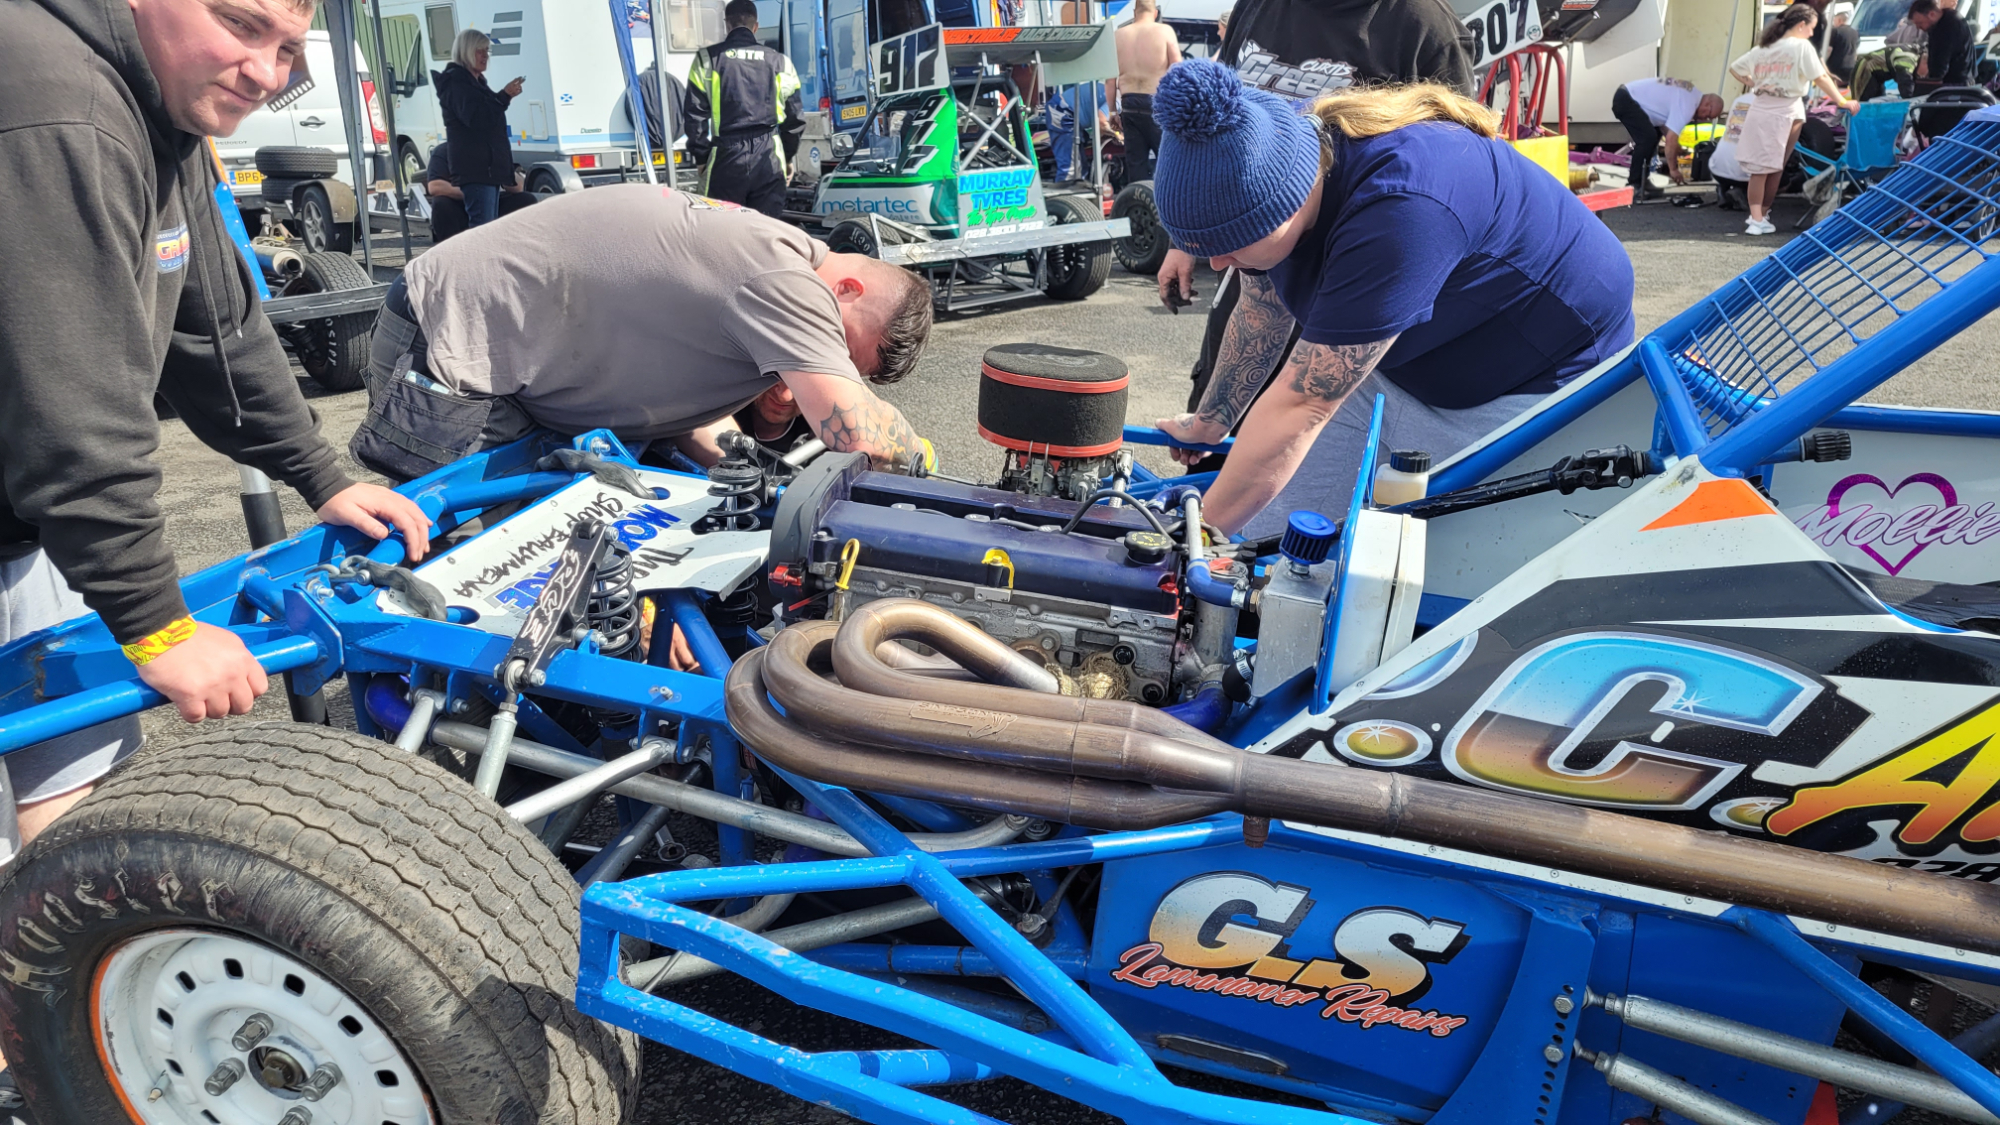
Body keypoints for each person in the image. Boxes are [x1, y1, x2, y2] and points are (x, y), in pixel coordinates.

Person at [0, 0, 431, 1107]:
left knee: (77, 783)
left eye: (288, 48)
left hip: (28, 521)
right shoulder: (52, 103)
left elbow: (219, 334)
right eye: (241, 25)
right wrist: (156, 623)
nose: (266, 71)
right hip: (43, 484)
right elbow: (73, 401)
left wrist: (323, 475)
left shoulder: (165, 114)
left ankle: (47, 1037)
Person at [1148, 61, 1637, 537]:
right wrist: (1212, 420)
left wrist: (1194, 542)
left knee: (1432, 566)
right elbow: (1261, 307)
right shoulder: (1279, 145)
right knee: (1268, 537)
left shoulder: (1400, 210)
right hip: (1414, 356)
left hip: (1537, 373)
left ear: (1286, 203)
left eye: (1230, 245)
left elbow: (1302, 405)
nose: (1218, 265)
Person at [353, 185, 935, 483]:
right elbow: (862, 436)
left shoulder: (767, 258)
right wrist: (923, 466)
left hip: (508, 362)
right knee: (491, 563)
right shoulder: (786, 278)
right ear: (848, 290)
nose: (827, 362)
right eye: (843, 351)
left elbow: (680, 414)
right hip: (453, 344)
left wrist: (756, 477)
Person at [1160, 0, 1477, 473]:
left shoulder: (1422, 25)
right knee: (1213, 449)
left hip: (1359, 280)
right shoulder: (1260, 5)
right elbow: (1210, 121)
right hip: (1257, 248)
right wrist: (1188, 239)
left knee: (1304, 452)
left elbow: (1457, 163)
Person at [1730, 5, 1858, 236]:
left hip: (1761, 107)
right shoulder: (1801, 46)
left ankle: (1757, 217)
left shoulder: (1763, 48)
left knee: (1759, 168)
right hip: (1788, 108)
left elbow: (1735, 68)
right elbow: (1820, 77)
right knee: (1775, 166)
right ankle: (1761, 216)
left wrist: (1754, 82)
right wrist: (1842, 100)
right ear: (1801, 25)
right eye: (1811, 28)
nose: (1812, 33)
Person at [684, 0, 806, 218]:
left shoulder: (706, 59)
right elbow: (795, 119)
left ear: (726, 25)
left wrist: (701, 158)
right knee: (767, 226)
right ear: (756, 26)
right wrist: (787, 157)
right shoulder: (780, 62)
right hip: (769, 153)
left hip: (726, 156)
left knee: (723, 226)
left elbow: (695, 115)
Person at [435, 29, 523, 228]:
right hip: (476, 169)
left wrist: (504, 97)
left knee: (487, 227)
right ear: (466, 51)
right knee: (482, 228)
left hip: (487, 170)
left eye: (487, 51)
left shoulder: (477, 83)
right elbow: (477, 119)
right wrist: (504, 96)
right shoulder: (457, 83)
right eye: (479, 51)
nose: (485, 56)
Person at [1610, 78, 1726, 197]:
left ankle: (1643, 180)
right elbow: (1671, 139)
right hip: (1627, 99)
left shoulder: (1691, 94)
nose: (1704, 119)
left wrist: (1677, 147)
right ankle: (1634, 185)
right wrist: (1673, 169)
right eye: (1708, 116)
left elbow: (1667, 128)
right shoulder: (1688, 104)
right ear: (1707, 104)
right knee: (1647, 139)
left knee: (1654, 136)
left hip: (1629, 96)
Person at [1109, 0, 1182, 183]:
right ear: (1155, 13)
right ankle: (1165, 198)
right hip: (1157, 103)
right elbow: (1178, 70)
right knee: (1167, 161)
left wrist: (1112, 112)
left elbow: (1110, 79)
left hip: (1129, 104)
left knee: (1136, 164)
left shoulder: (1118, 35)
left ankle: (1138, 197)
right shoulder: (1165, 32)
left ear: (1135, 12)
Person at [424, 144, 536, 242]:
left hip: (492, 201)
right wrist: (474, 194)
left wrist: (502, 167)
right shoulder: (444, 151)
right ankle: (451, 249)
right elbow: (435, 186)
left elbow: (518, 187)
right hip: (459, 205)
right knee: (441, 203)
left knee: (526, 200)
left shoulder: (492, 150)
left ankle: (515, 246)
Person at [1909, 0, 1974, 87]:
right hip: (1961, 79)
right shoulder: (1943, 21)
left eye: (1920, 23)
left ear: (1932, 14)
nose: (1918, 28)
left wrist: (1930, 84)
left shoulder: (1947, 26)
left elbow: (1940, 62)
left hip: (1955, 83)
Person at [1827, 3, 1860, 85]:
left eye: (1834, 20)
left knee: (1834, 88)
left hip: (1836, 67)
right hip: (1851, 66)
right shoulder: (1855, 32)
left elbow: (1829, 50)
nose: (1834, 23)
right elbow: (1855, 51)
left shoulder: (1835, 31)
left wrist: (1824, 62)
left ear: (1839, 20)